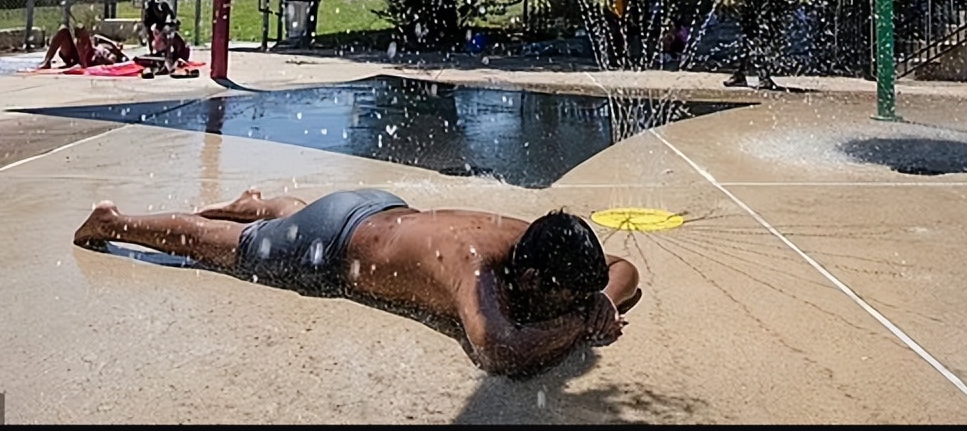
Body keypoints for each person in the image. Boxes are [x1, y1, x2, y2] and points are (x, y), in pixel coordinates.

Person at [73, 188, 642, 378]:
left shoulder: (538, 239)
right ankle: (114, 221)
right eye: (564, 297)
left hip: (378, 209)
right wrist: (579, 323)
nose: (570, 305)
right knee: (212, 247)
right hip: (326, 247)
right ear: (534, 276)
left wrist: (601, 305)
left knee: (284, 219)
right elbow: (500, 350)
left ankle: (260, 205)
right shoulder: (475, 265)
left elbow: (623, 269)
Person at [37, 24, 128, 70]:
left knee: (85, 48)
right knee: (63, 29)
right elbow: (97, 37)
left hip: (82, 58)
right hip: (77, 53)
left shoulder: (107, 54)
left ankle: (82, 58)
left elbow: (112, 60)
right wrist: (113, 43)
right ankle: (46, 61)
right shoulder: (97, 42)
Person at [603, 0, 634, 68]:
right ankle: (620, 60)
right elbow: (625, 2)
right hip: (617, 15)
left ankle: (613, 60)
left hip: (610, 14)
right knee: (619, 39)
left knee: (613, 40)